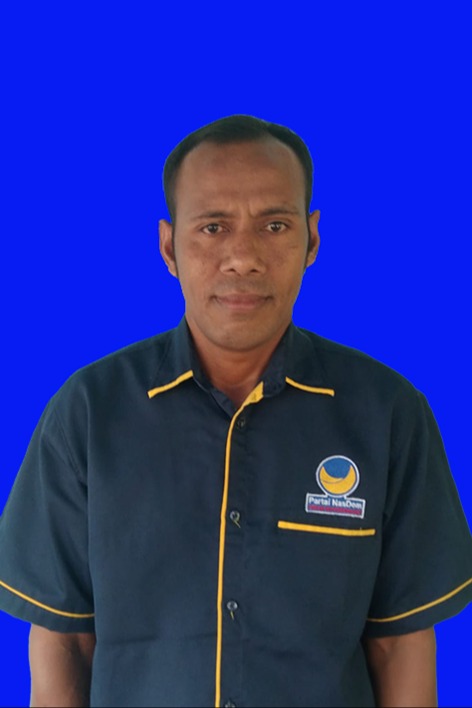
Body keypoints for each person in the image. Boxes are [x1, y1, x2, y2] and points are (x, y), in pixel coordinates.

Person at [0, 114, 471, 708]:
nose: (243, 257)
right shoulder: (89, 413)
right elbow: (64, 641)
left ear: (312, 239)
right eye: (213, 227)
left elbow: (400, 645)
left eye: (274, 225)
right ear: (169, 246)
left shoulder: (387, 415)